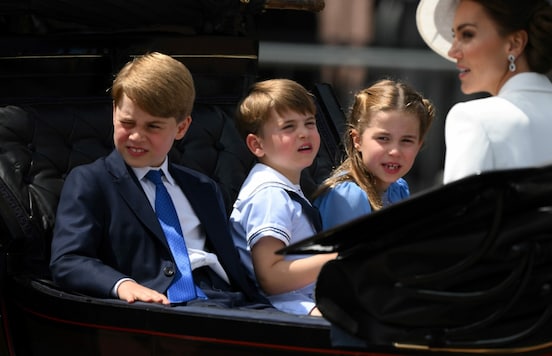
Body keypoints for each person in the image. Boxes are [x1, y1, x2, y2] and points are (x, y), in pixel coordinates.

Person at [49, 52, 266, 308]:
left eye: (153, 127)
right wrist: (123, 285)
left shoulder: (203, 188)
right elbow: (69, 260)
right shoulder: (91, 181)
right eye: (127, 123)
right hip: (161, 308)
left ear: (182, 128)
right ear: (113, 113)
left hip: (230, 301)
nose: (136, 136)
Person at [416, 0, 552, 184]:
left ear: (514, 44)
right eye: (455, 36)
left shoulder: (473, 119)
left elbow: (462, 220)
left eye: (467, 34)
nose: (453, 51)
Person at [229, 78, 337, 316]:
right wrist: (336, 259)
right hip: (285, 310)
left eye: (309, 123)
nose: (303, 133)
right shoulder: (270, 195)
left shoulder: (282, 189)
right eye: (288, 127)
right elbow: (271, 277)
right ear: (257, 144)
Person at [313, 79, 435, 229]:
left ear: (419, 145)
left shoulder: (398, 188)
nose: (395, 151)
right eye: (383, 138)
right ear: (357, 140)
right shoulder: (349, 197)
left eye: (407, 140)